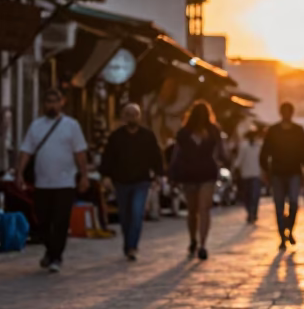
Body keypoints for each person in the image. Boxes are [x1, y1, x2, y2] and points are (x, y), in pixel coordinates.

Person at [15, 88, 89, 274]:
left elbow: (80, 153)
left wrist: (84, 175)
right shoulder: (36, 126)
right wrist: (19, 173)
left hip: (65, 182)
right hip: (42, 182)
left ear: (61, 102)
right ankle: (50, 250)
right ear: (44, 104)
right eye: (48, 101)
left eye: (55, 101)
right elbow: (26, 151)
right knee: (43, 220)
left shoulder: (71, 125)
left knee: (61, 220)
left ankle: (56, 256)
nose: (52, 105)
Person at [99, 103, 163, 261]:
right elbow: (108, 158)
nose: (132, 117)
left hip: (141, 181)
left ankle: (133, 246)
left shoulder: (147, 136)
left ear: (139, 116)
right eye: (128, 114)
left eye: (134, 114)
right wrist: (106, 176)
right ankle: (128, 244)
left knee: (136, 212)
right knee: (125, 215)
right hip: (121, 181)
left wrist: (158, 175)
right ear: (123, 117)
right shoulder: (116, 137)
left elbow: (156, 156)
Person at [169, 101, 225, 260]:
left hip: (193, 174)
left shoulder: (185, 132)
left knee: (196, 210)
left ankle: (200, 243)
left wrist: (172, 173)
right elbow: (221, 152)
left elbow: (176, 154)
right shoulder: (209, 131)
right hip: (202, 173)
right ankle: (198, 242)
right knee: (199, 210)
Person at [260, 102, 304, 249]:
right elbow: (265, 152)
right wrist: (265, 170)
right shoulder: (273, 131)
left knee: (294, 203)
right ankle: (282, 236)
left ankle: (289, 229)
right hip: (277, 173)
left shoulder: (298, 131)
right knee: (279, 206)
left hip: (294, 172)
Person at [236, 129, 264, 224]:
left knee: (255, 196)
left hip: (256, 174)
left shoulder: (259, 146)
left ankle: (254, 213)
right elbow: (239, 159)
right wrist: (236, 168)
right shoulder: (244, 147)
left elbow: (262, 160)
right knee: (247, 196)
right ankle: (250, 212)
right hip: (246, 175)